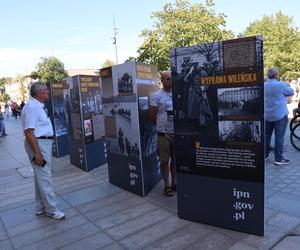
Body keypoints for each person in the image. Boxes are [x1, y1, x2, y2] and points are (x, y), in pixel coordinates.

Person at [21, 82, 65, 220]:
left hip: (42, 143)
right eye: (45, 90)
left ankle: (40, 207)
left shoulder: (36, 106)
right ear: (38, 93)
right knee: (45, 177)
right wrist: (37, 153)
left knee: (40, 176)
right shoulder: (32, 107)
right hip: (38, 144)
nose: (48, 92)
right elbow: (29, 132)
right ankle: (51, 209)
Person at [150, 71, 176, 197]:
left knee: (175, 161)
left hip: (176, 133)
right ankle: (167, 184)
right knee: (164, 161)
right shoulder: (157, 96)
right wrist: (161, 126)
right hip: (163, 134)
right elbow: (151, 115)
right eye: (167, 79)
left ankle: (174, 182)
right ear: (162, 81)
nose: (170, 81)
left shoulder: (178, 94)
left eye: (171, 79)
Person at [265, 67, 294, 165]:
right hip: (280, 115)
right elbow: (291, 92)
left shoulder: (263, 85)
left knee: (267, 136)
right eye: (278, 73)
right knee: (279, 137)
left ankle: (265, 155)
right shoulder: (281, 85)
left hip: (267, 115)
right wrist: (287, 85)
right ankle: (278, 159)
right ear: (276, 75)